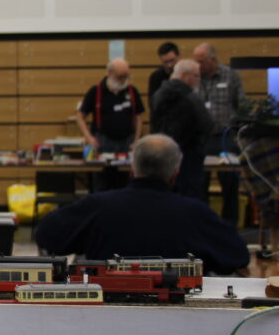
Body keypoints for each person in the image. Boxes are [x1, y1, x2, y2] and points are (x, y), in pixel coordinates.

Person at [35, 134, 249, 275]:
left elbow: (46, 234)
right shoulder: (196, 214)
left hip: (105, 316)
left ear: (132, 169)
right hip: (176, 319)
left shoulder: (97, 206)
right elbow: (238, 255)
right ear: (175, 174)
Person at [192, 42, 247, 226]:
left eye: (201, 61)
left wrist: (240, 135)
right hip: (202, 139)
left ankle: (230, 225)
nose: (197, 65)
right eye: (195, 61)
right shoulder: (194, 78)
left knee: (230, 183)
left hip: (226, 138)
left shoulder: (231, 76)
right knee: (200, 183)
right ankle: (203, 224)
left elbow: (241, 105)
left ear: (212, 60)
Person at [150, 59, 212, 200]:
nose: (199, 79)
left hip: (164, 155)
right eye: (196, 75)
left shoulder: (158, 95)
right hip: (189, 157)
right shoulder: (189, 97)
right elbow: (207, 124)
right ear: (185, 75)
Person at [76, 58, 144, 155]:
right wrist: (89, 138)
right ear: (109, 73)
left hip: (127, 142)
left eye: (126, 76)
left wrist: (137, 140)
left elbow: (138, 118)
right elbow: (80, 117)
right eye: (120, 77)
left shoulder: (132, 91)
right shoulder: (95, 91)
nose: (123, 80)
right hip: (103, 142)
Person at [147, 41, 179, 107]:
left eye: (172, 60)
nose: (169, 65)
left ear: (179, 56)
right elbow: (152, 103)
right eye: (165, 62)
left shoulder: (186, 75)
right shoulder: (156, 77)